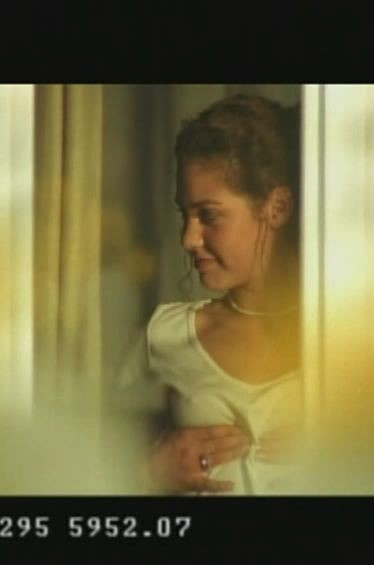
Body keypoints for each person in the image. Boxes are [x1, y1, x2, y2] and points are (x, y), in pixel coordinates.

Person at [114, 93, 303, 495]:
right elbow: (78, 464)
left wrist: (352, 454)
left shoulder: (360, 336)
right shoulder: (164, 336)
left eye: (209, 215)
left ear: (277, 208)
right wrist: (148, 472)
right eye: (185, 214)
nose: (189, 238)